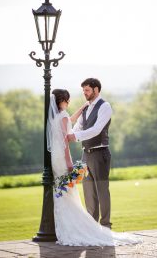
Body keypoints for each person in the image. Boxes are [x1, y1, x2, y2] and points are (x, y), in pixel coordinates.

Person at [47, 88, 142, 246]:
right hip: (62, 158)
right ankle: (79, 227)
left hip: (54, 158)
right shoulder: (63, 116)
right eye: (67, 99)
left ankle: (64, 227)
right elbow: (66, 142)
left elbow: (69, 122)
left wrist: (81, 108)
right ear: (62, 100)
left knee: (62, 191)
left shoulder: (56, 117)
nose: (69, 102)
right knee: (70, 192)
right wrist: (69, 162)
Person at [67, 78, 112, 229]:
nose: (84, 93)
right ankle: (93, 227)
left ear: (96, 90)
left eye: (87, 90)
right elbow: (78, 126)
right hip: (85, 154)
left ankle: (105, 226)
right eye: (83, 91)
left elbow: (97, 130)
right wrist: (69, 135)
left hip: (100, 153)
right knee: (88, 191)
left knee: (102, 190)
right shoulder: (86, 108)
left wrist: (76, 137)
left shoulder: (105, 106)